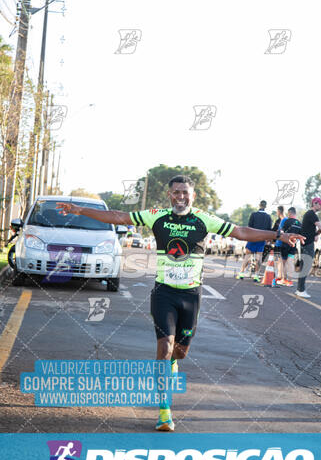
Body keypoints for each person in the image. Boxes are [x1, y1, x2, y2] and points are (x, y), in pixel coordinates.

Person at [56, 176, 304, 432]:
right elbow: (120, 217)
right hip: (164, 293)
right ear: (169, 195)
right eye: (176, 192)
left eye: (185, 192)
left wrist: (279, 235)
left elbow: (241, 232)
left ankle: (173, 363)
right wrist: (79, 210)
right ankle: (164, 413)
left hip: (191, 296)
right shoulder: (156, 216)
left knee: (180, 351)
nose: (180, 197)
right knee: (164, 347)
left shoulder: (203, 218)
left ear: (192, 196)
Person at [295, 197, 321, 298]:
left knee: (304, 266)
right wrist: (317, 233)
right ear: (315, 203)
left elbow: (311, 229)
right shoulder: (311, 214)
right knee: (306, 266)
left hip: (306, 242)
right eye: (320, 204)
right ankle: (300, 290)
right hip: (307, 244)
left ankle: (300, 289)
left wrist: (315, 234)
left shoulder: (309, 214)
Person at [237, 200, 271, 282]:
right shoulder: (268, 217)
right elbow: (269, 229)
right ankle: (256, 275)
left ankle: (241, 273)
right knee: (259, 257)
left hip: (252, 237)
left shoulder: (254, 215)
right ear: (265, 206)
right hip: (262, 238)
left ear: (259, 205)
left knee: (247, 256)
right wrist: (267, 239)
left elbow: (249, 226)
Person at [277, 207, 302, 286]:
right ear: (295, 213)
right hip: (293, 245)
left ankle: (284, 279)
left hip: (285, 244)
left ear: (289, 213)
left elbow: (281, 232)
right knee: (290, 262)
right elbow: (300, 235)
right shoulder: (299, 223)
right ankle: (290, 281)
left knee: (283, 262)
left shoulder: (286, 221)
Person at [272, 206, 285, 281]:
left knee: (277, 260)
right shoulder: (287, 219)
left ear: (279, 211)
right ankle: (281, 276)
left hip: (278, 243)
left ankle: (278, 276)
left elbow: (275, 231)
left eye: (277, 211)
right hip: (285, 244)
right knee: (283, 260)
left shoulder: (279, 221)